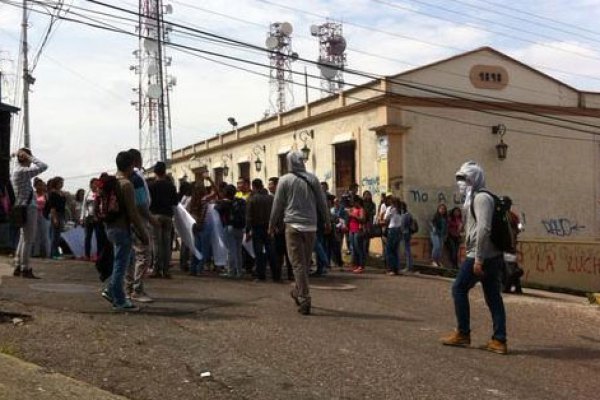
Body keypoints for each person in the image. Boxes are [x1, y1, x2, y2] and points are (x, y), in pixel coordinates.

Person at [441, 161, 508, 355]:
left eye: (465, 178)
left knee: (459, 288)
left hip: (482, 256)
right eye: (459, 178)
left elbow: (483, 229)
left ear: (475, 179)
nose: (461, 182)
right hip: (490, 255)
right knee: (493, 297)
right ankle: (499, 340)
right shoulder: (476, 198)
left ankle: (463, 333)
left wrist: (478, 259)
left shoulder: (481, 198)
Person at [269, 151, 331, 315]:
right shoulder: (313, 179)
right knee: (303, 263)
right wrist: (327, 221)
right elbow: (322, 201)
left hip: (293, 226)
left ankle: (304, 298)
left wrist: (272, 224)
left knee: (298, 264)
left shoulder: (284, 180)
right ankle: (298, 291)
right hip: (311, 226)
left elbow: (277, 205)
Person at [101, 151, 150, 312]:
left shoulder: (111, 182)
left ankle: (111, 290)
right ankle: (120, 301)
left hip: (110, 227)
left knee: (124, 260)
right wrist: (143, 233)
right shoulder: (126, 184)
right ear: (131, 165)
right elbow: (132, 212)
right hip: (122, 228)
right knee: (121, 265)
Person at [11, 148, 48, 278]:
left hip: (21, 207)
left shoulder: (16, 170)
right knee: (28, 240)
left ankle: (18, 265)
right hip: (29, 208)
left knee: (23, 239)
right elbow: (44, 166)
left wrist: (18, 154)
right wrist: (28, 156)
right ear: (26, 158)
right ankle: (25, 268)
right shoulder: (22, 171)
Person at [126, 149, 155, 302]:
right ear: (136, 160)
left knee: (130, 257)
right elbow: (142, 203)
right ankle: (137, 289)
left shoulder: (124, 177)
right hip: (139, 218)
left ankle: (129, 288)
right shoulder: (137, 178)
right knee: (143, 254)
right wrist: (150, 219)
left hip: (128, 219)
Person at [149, 161, 178, 279]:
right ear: (165, 172)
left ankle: (156, 269)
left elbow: (148, 202)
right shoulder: (171, 186)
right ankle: (166, 270)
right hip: (168, 216)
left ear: (155, 172)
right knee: (167, 244)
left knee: (156, 244)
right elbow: (175, 202)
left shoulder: (151, 186)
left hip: (155, 215)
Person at [246, 178, 278, 281]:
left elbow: (249, 216)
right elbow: (276, 213)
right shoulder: (271, 199)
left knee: (259, 253)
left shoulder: (252, 199)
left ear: (254, 187)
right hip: (269, 227)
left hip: (257, 228)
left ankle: (261, 275)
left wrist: (248, 230)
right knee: (271, 251)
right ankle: (276, 275)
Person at [215, 184, 245, 279]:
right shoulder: (241, 201)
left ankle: (231, 271)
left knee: (231, 251)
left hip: (229, 227)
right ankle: (239, 271)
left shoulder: (223, 203)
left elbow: (216, 209)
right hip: (240, 228)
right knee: (238, 251)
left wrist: (221, 201)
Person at [268, 177, 293, 281]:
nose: (269, 186)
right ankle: (277, 275)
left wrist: (276, 226)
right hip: (278, 229)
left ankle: (290, 274)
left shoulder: (283, 197)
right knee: (278, 254)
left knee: (287, 253)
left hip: (284, 229)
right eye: (269, 185)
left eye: (271, 184)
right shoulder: (271, 197)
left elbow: (281, 213)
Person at [502, 197, 523, 294]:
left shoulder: (512, 216)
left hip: (507, 245)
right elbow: (519, 228)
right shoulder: (509, 216)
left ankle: (510, 286)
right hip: (507, 244)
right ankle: (515, 286)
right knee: (510, 265)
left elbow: (519, 228)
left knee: (509, 266)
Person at [47, 177, 67, 260]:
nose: (61, 184)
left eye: (62, 182)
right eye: (60, 183)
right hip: (55, 214)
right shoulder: (53, 193)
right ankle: (53, 253)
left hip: (62, 214)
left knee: (58, 235)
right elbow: (52, 207)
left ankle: (57, 252)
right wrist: (54, 218)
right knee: (54, 235)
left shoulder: (61, 193)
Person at [32, 178, 49, 258]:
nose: (40, 186)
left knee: (45, 234)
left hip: (43, 215)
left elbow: (48, 205)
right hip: (35, 215)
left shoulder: (45, 195)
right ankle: (36, 253)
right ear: (35, 186)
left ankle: (47, 253)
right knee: (36, 234)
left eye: (41, 185)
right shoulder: (33, 194)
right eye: (38, 185)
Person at [348, 197, 367, 274]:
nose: (353, 204)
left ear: (358, 202)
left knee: (359, 248)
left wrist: (353, 215)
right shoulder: (352, 209)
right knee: (353, 248)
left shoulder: (361, 209)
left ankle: (361, 265)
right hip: (351, 229)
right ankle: (355, 264)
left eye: (354, 202)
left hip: (358, 230)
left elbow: (363, 219)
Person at [178, 181, 193, 272]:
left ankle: (184, 262)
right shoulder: (187, 198)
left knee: (185, 243)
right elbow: (185, 208)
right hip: (186, 221)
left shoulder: (183, 197)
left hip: (184, 221)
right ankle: (184, 263)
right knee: (186, 243)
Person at [398, 201, 415, 273]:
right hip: (407, 233)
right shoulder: (408, 214)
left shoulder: (405, 215)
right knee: (407, 250)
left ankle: (408, 267)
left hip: (404, 234)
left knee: (406, 250)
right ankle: (408, 266)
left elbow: (402, 226)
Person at [362, 190, 376, 257]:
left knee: (367, 238)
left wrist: (369, 213)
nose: (367, 196)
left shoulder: (372, 204)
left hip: (369, 223)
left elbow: (374, 212)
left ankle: (366, 252)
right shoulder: (362, 203)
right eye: (366, 195)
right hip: (362, 223)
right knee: (362, 237)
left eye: (369, 194)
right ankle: (363, 252)